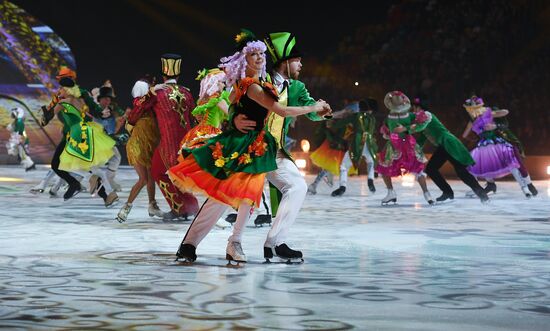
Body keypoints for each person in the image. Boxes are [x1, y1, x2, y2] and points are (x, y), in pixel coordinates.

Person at [169, 29, 330, 263]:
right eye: (297, 59)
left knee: (296, 186)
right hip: (248, 145)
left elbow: (309, 109)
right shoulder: (257, 78)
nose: (301, 64)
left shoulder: (296, 87)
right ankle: (191, 243)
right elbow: (234, 102)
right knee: (224, 194)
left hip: (272, 151)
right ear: (284, 60)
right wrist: (234, 118)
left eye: (261, 54)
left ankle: (275, 243)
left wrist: (322, 112)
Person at [131, 54, 199, 220]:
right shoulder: (186, 92)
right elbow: (195, 116)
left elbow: (136, 112)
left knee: (157, 172)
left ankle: (179, 207)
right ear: (178, 75)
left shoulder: (157, 93)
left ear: (163, 75)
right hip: (187, 144)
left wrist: (149, 94)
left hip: (168, 144)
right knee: (180, 175)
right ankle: (190, 206)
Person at [409, 96, 488, 203]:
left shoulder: (427, 115)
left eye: (414, 108)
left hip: (448, 143)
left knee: (461, 172)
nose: (413, 110)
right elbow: (422, 138)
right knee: (432, 169)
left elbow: (420, 128)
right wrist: (413, 149)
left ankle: (481, 194)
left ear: (419, 108)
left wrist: (406, 130)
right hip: (444, 145)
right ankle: (448, 192)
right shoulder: (421, 120)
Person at [116, 75, 165, 223]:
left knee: (151, 177)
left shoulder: (149, 106)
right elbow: (141, 105)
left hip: (148, 144)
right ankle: (126, 208)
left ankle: (152, 205)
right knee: (143, 179)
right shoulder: (140, 103)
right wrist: (152, 91)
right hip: (138, 146)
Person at [461, 96, 532, 198]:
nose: (472, 111)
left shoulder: (486, 113)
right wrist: (474, 139)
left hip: (496, 142)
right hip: (483, 144)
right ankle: (485, 187)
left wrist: (492, 115)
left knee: (510, 162)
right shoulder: (472, 121)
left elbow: (505, 112)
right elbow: (464, 135)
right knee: (478, 165)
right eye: (470, 109)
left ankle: (524, 187)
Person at [375, 91, 434, 205]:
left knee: (384, 167)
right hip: (407, 144)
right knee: (417, 169)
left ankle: (391, 192)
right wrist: (408, 129)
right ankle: (427, 194)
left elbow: (386, 132)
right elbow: (422, 124)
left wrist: (404, 129)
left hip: (394, 145)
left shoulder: (389, 117)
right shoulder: (409, 115)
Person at [330, 98, 378, 196]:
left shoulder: (355, 116)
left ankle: (342, 187)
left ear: (359, 108)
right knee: (371, 161)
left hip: (358, 143)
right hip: (369, 143)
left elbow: (342, 122)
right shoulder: (372, 118)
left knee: (344, 166)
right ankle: (370, 179)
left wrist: (333, 125)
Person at [6, 107, 35, 171]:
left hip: (20, 139)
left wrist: (18, 141)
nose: (12, 115)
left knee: (22, 153)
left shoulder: (19, 121)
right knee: (21, 153)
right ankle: (29, 164)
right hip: (19, 139)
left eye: (14, 113)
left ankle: (30, 165)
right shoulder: (17, 121)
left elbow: (18, 132)